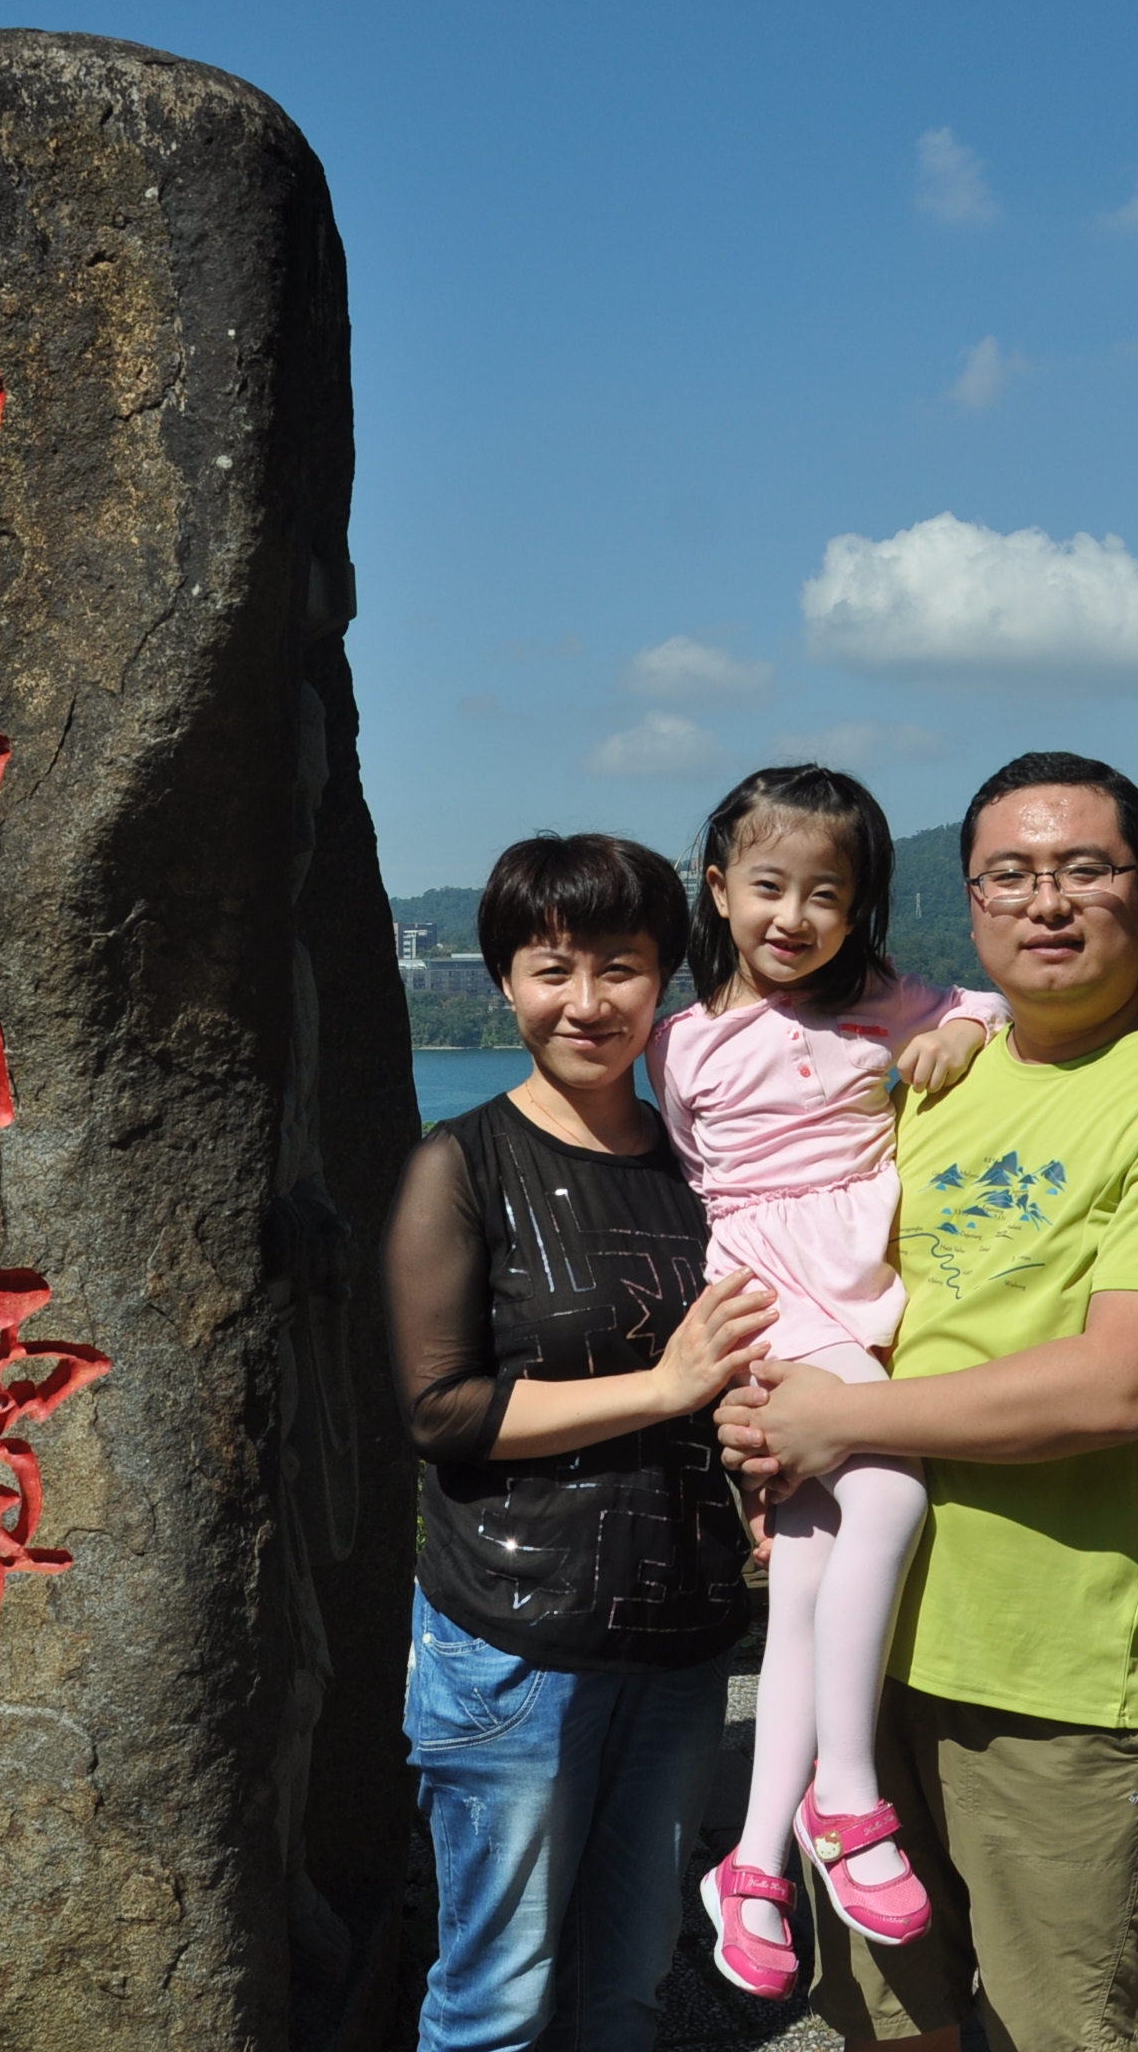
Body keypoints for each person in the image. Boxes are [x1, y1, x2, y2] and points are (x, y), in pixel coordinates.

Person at [718, 750, 1138, 2052]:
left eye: (1085, 869)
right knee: (888, 2016)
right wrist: (761, 1430)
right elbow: (826, 1288)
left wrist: (839, 1424)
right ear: (972, 902)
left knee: (1072, 2026)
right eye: (1010, 875)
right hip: (869, 1652)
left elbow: (1119, 1384)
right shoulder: (934, 1073)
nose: (1046, 900)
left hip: (1052, 1665)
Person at [384, 832, 778, 2052]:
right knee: (497, 1996)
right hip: (515, 1646)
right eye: (553, 969)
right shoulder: (463, 1165)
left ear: (665, 982)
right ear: (506, 982)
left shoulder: (703, 1167)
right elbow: (441, 1411)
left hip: (682, 1639)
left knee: (631, 1977)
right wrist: (662, 1387)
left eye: (622, 967)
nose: (589, 1002)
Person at [647, 765, 1008, 1998]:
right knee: (892, 1493)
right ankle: (844, 1797)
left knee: (806, 1563)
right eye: (768, 886)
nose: (793, 917)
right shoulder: (683, 1041)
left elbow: (981, 1003)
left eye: (826, 894)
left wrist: (961, 1031)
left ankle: (752, 1863)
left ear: (860, 907)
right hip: (768, 1291)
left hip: (860, 1290)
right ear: (718, 887)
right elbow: (702, 1182)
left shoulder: (883, 1001)